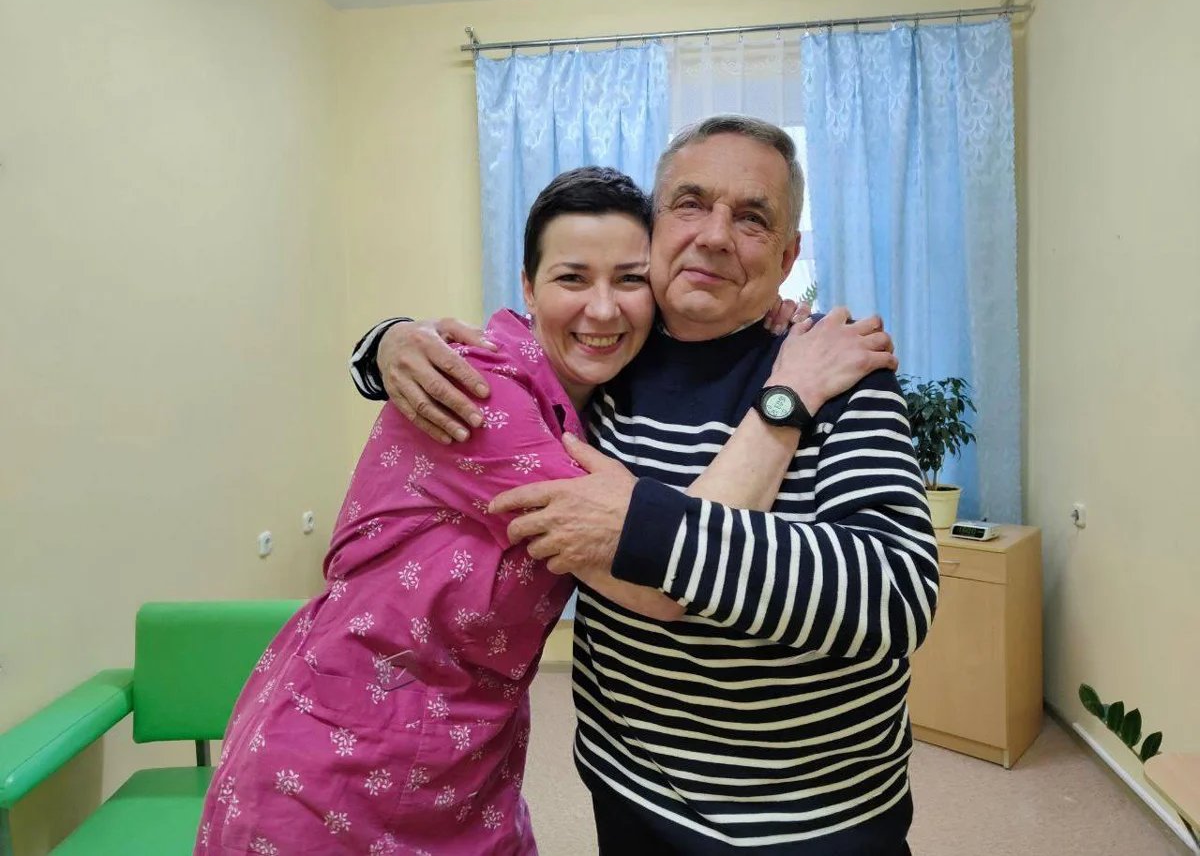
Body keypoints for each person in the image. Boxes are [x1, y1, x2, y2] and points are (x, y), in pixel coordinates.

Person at [350, 116, 937, 854]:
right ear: (655, 232)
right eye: (690, 204)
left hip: (811, 822)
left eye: (752, 218)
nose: (717, 235)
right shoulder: (607, 360)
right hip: (626, 792)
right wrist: (388, 341)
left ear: (787, 256)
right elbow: (493, 361)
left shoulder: (836, 371)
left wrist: (640, 523)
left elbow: (895, 597)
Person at [195, 167, 680, 855]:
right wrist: (785, 402)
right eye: (573, 277)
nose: (603, 309)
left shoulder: (593, 394)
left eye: (629, 279)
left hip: (464, 760)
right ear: (528, 287)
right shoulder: (477, 388)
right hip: (337, 767)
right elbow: (659, 581)